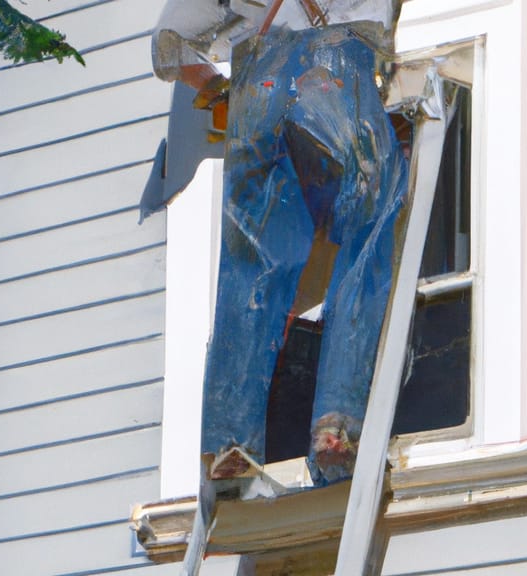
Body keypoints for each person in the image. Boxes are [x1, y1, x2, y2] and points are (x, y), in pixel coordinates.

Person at [152, 0, 406, 486]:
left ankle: (228, 444)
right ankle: (337, 426)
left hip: (255, 96)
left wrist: (216, 89)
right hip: (335, 72)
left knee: (253, 266)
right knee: (369, 225)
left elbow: (169, 44)